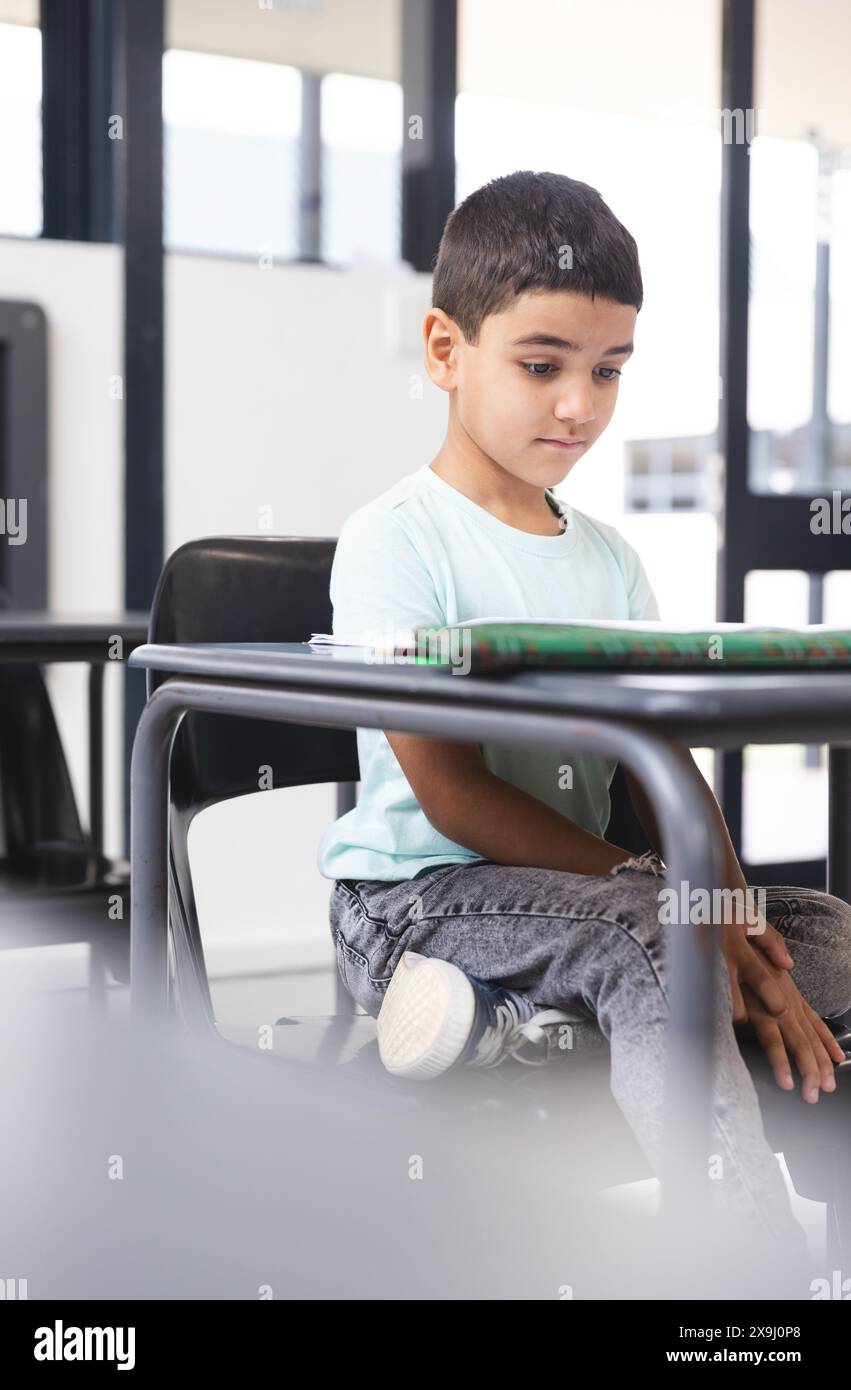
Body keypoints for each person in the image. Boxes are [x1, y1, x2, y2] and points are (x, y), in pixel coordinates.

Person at [316, 170, 851, 1260]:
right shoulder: (395, 540)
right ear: (444, 352)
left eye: (608, 371)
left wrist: (732, 912)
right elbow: (453, 793)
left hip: (588, 896)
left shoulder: (608, 559)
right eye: (542, 365)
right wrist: (677, 906)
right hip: (414, 902)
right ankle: (751, 1277)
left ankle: (517, 1029)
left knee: (825, 938)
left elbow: (659, 759)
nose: (581, 405)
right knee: (658, 938)